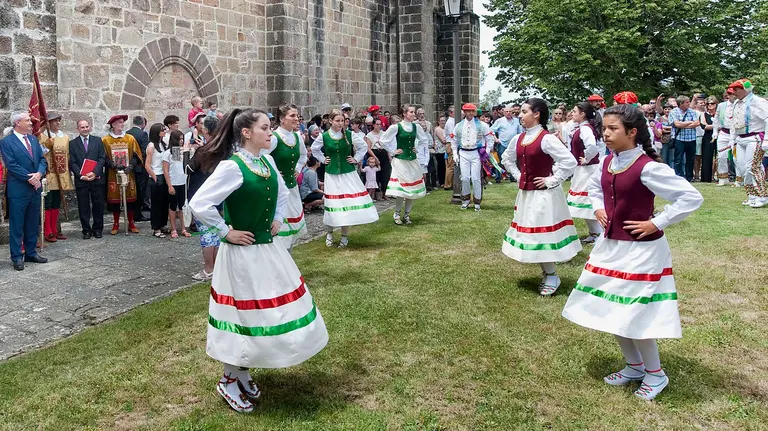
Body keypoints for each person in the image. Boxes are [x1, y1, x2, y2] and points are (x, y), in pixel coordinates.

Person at [189, 108, 328, 414]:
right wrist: (227, 232)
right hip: (241, 254)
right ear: (247, 133)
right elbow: (199, 203)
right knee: (241, 314)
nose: (270, 133)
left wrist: (278, 218)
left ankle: (242, 372)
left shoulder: (265, 161)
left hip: (266, 249)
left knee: (265, 311)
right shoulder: (233, 166)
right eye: (265, 128)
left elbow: (281, 191)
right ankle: (228, 379)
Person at [561, 104, 703, 401]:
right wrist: (598, 207)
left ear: (633, 132)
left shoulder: (648, 167)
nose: (606, 133)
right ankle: (634, 366)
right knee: (612, 310)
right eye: (604, 128)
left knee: (635, 313)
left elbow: (690, 197)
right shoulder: (606, 163)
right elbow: (595, 188)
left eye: (613, 129)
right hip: (611, 246)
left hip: (642, 251)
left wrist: (656, 222)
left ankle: (655, 373)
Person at [500, 98, 581, 296]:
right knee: (533, 234)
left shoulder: (546, 138)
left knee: (542, 234)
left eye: (524, 111)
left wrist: (552, 180)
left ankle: (552, 275)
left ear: (536, 114)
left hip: (544, 196)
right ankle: (548, 273)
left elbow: (569, 161)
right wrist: (519, 175)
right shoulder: (518, 139)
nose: (520, 115)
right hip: (527, 195)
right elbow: (506, 159)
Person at [311, 109, 379, 247]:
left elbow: (363, 147)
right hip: (331, 174)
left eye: (342, 120)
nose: (340, 123)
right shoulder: (324, 136)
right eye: (337, 121)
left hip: (347, 174)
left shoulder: (349, 134)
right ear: (330, 121)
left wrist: (355, 159)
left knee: (346, 204)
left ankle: (344, 235)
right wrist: (323, 159)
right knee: (332, 203)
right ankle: (329, 232)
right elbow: (314, 149)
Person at [0, 111, 49, 270]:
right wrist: (31, 178)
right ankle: (16, 257)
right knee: (17, 224)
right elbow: (11, 165)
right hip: (19, 190)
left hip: (34, 189)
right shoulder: (6, 142)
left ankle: (30, 252)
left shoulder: (33, 140)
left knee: (32, 222)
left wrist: (40, 173)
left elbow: (42, 160)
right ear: (17, 123)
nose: (31, 123)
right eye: (27, 120)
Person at [265, 104, 309, 250]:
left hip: (292, 188)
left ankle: (287, 257)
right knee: (279, 225)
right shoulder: (274, 138)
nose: (296, 118)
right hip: (276, 190)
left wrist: (297, 169)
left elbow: (303, 155)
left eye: (297, 115)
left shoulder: (297, 137)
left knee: (291, 226)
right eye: (292, 116)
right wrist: (274, 173)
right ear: (282, 119)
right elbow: (261, 157)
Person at [381, 104, 429, 223]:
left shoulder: (416, 127)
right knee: (401, 189)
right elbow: (382, 140)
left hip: (412, 160)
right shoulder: (396, 127)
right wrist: (393, 151)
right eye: (411, 112)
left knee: (411, 189)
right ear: (405, 114)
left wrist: (416, 147)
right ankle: (397, 214)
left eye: (414, 112)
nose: (413, 114)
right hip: (400, 161)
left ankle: (407, 215)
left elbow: (424, 140)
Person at [185, 116, 220, 281]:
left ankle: (208, 269)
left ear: (205, 130)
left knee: (206, 233)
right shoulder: (223, 149)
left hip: (202, 195)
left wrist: (187, 150)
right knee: (217, 232)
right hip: (219, 196)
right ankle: (217, 266)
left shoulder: (203, 151)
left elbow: (188, 169)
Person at [566, 102, 604, 244]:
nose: (572, 113)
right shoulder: (582, 127)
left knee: (588, 201)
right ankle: (594, 233)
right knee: (584, 203)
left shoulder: (585, 129)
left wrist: (587, 159)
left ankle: (599, 233)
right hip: (583, 170)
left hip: (588, 170)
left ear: (582, 114)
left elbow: (592, 146)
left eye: (575, 111)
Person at [728, 79, 768, 207]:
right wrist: (732, 139)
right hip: (740, 138)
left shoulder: (758, 102)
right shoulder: (736, 104)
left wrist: (766, 139)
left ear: (745, 89)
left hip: (754, 137)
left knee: (753, 167)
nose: (734, 92)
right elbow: (734, 122)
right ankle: (752, 195)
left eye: (737, 89)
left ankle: (762, 195)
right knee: (742, 167)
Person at [102, 115, 142, 235]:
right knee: (114, 199)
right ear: (113, 125)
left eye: (123, 122)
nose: (122, 124)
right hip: (113, 174)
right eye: (119, 122)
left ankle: (131, 222)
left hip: (128, 174)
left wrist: (131, 166)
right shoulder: (105, 140)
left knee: (130, 199)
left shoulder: (130, 139)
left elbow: (136, 155)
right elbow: (103, 157)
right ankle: (116, 223)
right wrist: (113, 165)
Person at [451, 103, 495, 211]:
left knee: (476, 178)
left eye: (472, 111)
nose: (470, 113)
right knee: (465, 178)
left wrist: (487, 152)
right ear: (464, 112)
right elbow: (454, 141)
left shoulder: (482, 125)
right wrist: (455, 154)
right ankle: (465, 200)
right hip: (464, 152)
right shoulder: (459, 126)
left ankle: (477, 202)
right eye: (468, 111)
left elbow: (490, 138)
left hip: (476, 152)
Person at [38, 112, 73, 242]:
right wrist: (46, 146)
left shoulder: (64, 137)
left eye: (58, 120)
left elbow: (67, 154)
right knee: (48, 202)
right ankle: (48, 231)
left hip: (61, 173)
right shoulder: (42, 136)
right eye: (54, 121)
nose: (57, 123)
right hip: (49, 173)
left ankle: (55, 229)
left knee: (57, 202)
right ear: (48, 123)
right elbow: (38, 152)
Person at [69, 119, 106, 239]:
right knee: (83, 206)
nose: (85, 129)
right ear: (78, 129)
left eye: (86, 127)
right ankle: (86, 230)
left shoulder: (97, 141)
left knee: (98, 205)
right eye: (82, 127)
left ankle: (98, 229)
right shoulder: (72, 144)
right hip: (82, 180)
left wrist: (94, 173)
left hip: (96, 178)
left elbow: (102, 158)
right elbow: (73, 162)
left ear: (89, 127)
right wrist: (81, 175)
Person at [162, 130, 190, 238]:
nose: (182, 141)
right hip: (173, 182)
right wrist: (169, 185)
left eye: (182, 139)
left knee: (183, 206)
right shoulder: (168, 153)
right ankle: (173, 228)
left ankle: (183, 228)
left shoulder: (182, 151)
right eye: (180, 139)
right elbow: (165, 170)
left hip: (183, 182)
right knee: (173, 206)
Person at [144, 123, 169, 238]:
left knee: (164, 202)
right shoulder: (151, 146)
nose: (164, 131)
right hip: (156, 175)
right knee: (156, 204)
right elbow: (147, 165)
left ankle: (163, 224)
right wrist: (154, 177)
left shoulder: (163, 144)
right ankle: (156, 228)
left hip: (164, 175)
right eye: (162, 130)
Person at [668, 96, 700, 181]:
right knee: (678, 159)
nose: (689, 103)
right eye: (687, 102)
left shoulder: (692, 112)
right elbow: (677, 124)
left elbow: (697, 123)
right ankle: (678, 176)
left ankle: (689, 177)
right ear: (681, 103)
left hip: (691, 139)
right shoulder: (673, 112)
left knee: (690, 159)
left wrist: (682, 124)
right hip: (679, 139)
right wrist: (690, 123)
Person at [491, 105, 524, 182]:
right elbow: (491, 131)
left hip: (513, 144)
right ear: (503, 112)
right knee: (500, 161)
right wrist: (496, 139)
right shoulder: (500, 121)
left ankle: (513, 177)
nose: (508, 113)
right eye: (506, 111)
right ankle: (498, 178)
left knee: (513, 160)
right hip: (502, 143)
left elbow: (520, 132)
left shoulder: (516, 121)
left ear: (513, 112)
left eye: (510, 112)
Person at [126, 115, 150, 220]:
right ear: (143, 124)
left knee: (131, 190)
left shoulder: (127, 133)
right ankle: (137, 214)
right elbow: (144, 152)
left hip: (129, 166)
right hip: (140, 167)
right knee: (140, 191)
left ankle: (131, 213)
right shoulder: (143, 134)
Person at [713, 90, 735, 186]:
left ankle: (739, 179)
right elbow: (716, 118)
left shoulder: (740, 105)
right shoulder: (722, 105)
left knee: (736, 157)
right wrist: (715, 131)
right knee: (721, 156)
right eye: (729, 95)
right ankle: (723, 177)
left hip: (736, 134)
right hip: (724, 132)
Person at [365, 118, 389, 200]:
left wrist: (389, 156)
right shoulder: (369, 135)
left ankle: (385, 192)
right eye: (377, 124)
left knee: (385, 174)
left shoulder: (384, 133)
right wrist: (375, 158)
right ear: (374, 125)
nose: (379, 126)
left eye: (380, 124)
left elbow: (387, 145)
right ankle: (376, 193)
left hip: (384, 152)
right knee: (375, 174)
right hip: (374, 153)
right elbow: (368, 148)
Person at [700, 97, 716, 183]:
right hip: (708, 136)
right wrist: (717, 126)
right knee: (706, 157)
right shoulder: (703, 114)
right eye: (708, 104)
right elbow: (704, 126)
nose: (710, 105)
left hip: (719, 136)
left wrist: (714, 126)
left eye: (712, 103)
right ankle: (706, 178)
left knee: (720, 157)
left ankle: (720, 177)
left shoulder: (718, 114)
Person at [444, 105, 457, 190]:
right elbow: (453, 134)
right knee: (451, 165)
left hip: (451, 143)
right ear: (451, 113)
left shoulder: (452, 121)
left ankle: (451, 183)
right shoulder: (450, 122)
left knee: (452, 165)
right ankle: (448, 184)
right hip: (451, 144)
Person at [432, 116, 447, 188]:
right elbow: (443, 140)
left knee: (445, 166)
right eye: (441, 120)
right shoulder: (438, 129)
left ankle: (445, 181)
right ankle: (441, 182)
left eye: (444, 120)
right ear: (438, 122)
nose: (443, 122)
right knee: (441, 167)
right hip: (440, 151)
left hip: (445, 150)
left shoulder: (445, 129)